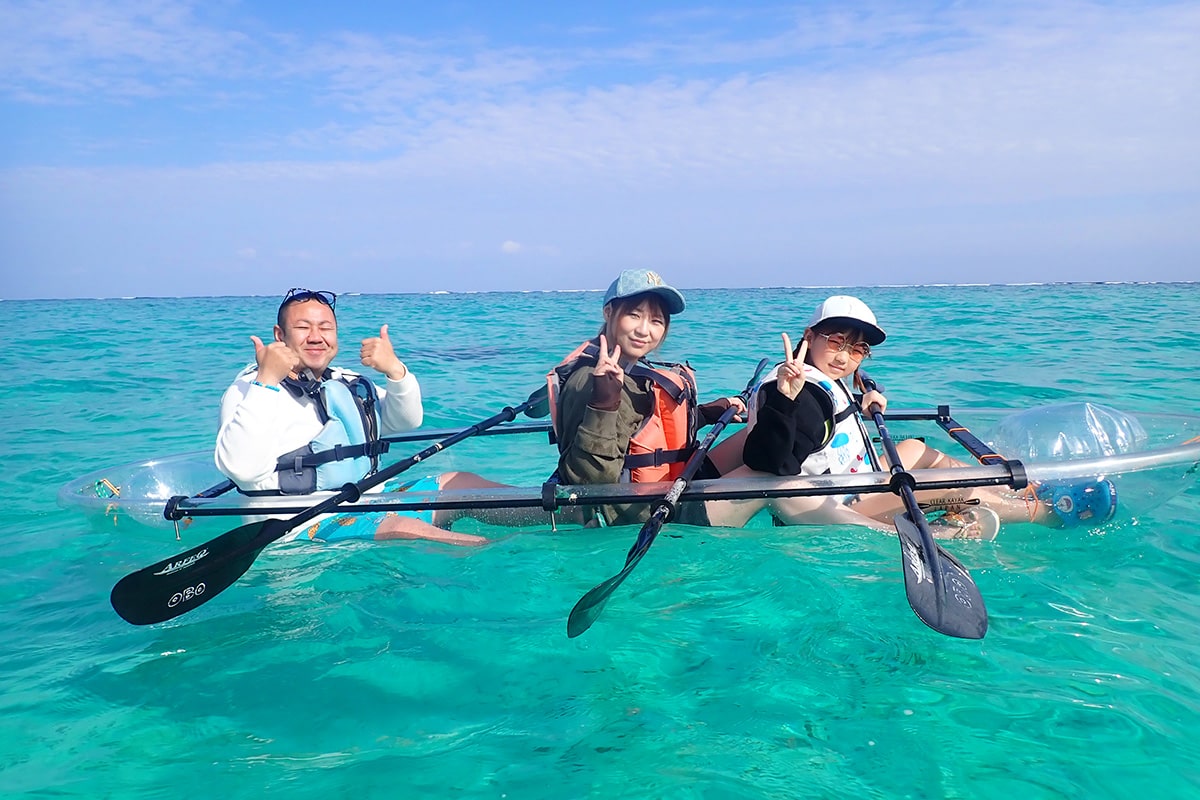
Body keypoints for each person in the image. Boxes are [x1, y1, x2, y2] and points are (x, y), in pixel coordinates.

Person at [723, 295, 1117, 538]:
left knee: (917, 449)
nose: (844, 357)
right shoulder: (803, 390)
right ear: (809, 336)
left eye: (857, 350)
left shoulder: (823, 379)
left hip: (854, 480)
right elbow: (772, 463)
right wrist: (786, 401)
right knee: (958, 486)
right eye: (836, 342)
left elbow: (825, 429)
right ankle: (1044, 512)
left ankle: (1013, 492)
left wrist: (863, 401)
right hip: (839, 504)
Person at [215, 288, 507, 546]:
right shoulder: (250, 391)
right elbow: (242, 468)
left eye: (325, 328)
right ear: (280, 336)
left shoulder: (344, 381)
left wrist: (396, 372)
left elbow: (405, 421)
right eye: (303, 327)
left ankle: (552, 508)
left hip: (366, 500)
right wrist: (266, 380)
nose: (316, 337)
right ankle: (503, 554)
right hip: (299, 526)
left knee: (460, 483)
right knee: (404, 527)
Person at [547, 269, 747, 527]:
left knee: (754, 438)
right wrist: (603, 403)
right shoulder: (591, 380)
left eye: (656, 320)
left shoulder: (633, 370)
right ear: (608, 312)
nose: (644, 330)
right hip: (643, 515)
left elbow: (644, 428)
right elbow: (591, 483)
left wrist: (707, 413)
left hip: (670, 487)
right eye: (634, 315)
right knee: (762, 475)